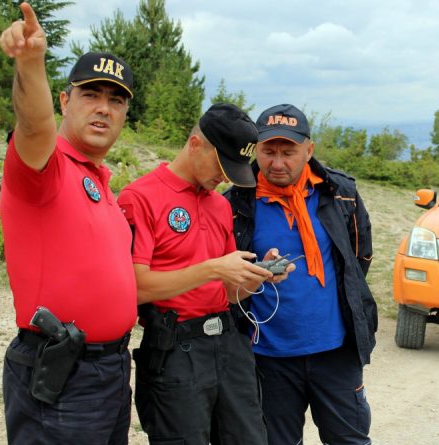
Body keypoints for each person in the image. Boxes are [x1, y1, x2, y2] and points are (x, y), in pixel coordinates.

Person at [0, 3, 137, 444]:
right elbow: (34, 125)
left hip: (111, 370)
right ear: (65, 100)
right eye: (90, 95)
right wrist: (31, 62)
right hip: (61, 372)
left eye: (115, 100)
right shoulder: (45, 167)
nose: (103, 109)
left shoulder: (99, 181)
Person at [117, 103, 290, 444]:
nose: (224, 177)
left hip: (228, 345)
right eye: (221, 164)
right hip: (175, 350)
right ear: (195, 144)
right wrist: (212, 268)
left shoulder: (220, 204)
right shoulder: (140, 197)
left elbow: (228, 293)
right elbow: (134, 288)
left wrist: (255, 278)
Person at [225, 104, 377, 445]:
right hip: (268, 357)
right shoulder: (235, 204)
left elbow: (358, 259)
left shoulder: (341, 194)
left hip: (335, 351)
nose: (278, 163)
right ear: (256, 151)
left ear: (309, 150)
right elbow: (227, 276)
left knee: (349, 440)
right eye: (269, 151)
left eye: (288, 151)